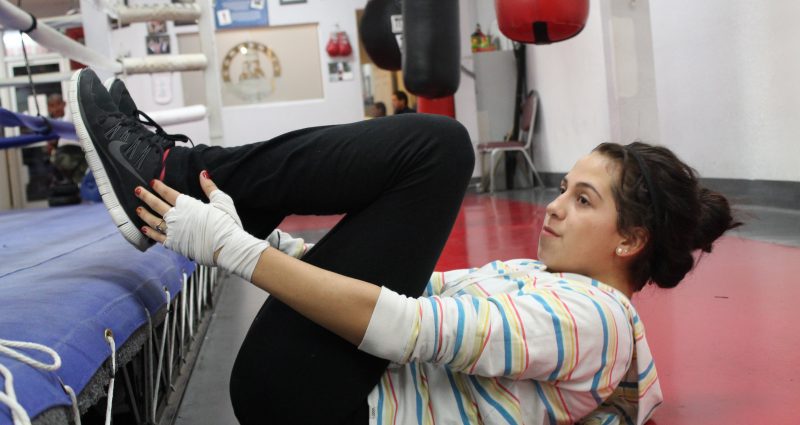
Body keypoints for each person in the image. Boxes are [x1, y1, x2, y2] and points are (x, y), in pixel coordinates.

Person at [71, 68, 739, 425]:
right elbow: (410, 292)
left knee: (439, 148)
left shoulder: (592, 320)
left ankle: (174, 169)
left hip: (326, 407)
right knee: (435, 150)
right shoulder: (540, 275)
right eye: (563, 187)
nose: (556, 204)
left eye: (584, 199)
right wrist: (258, 240)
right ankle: (180, 173)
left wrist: (237, 252)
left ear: (631, 238)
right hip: (323, 390)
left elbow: (406, 327)